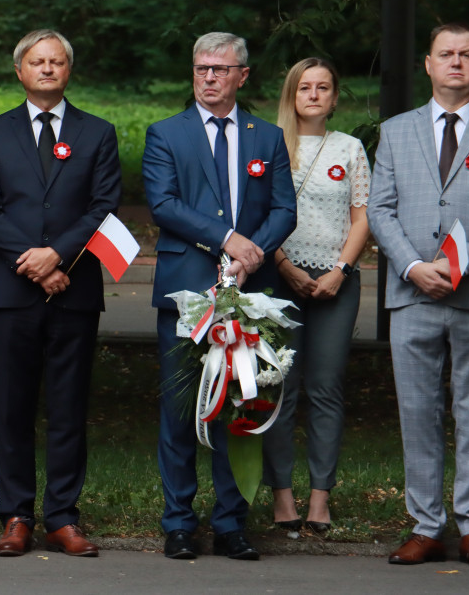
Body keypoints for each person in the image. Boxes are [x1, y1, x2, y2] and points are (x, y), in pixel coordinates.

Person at [369, 24, 469, 571]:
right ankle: (426, 525)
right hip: (411, 295)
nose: (455, 63)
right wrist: (413, 266)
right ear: (427, 65)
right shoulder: (395, 131)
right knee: (417, 411)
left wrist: (456, 266)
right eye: (445, 55)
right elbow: (379, 209)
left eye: (466, 55)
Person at [142, 32, 296, 561]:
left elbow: (283, 210)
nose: (208, 77)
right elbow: (162, 203)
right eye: (201, 68)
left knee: (239, 407)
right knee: (182, 410)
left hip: (248, 294)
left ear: (242, 76)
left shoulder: (267, 137)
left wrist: (249, 255)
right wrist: (224, 238)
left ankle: (232, 522)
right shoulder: (166, 133)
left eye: (220, 69)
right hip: (185, 294)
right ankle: (179, 523)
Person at [0, 29, 122, 558]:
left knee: (68, 406)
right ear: (20, 71)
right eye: (38, 61)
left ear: (69, 70)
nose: (48, 69)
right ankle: (16, 516)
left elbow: (103, 204)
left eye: (57, 61)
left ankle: (62, 516)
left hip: (74, 288)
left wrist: (58, 255)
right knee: (13, 406)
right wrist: (36, 265)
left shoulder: (98, 132)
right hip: (13, 292)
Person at [262, 58, 371, 536]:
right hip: (279, 277)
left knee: (326, 387)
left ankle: (319, 500)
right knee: (278, 387)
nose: (313, 95)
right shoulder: (270, 144)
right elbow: (259, 211)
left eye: (322, 87)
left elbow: (362, 217)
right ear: (292, 93)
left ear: (334, 96)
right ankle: (282, 497)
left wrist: (340, 270)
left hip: (336, 280)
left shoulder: (350, 148)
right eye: (304, 87)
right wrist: (284, 266)